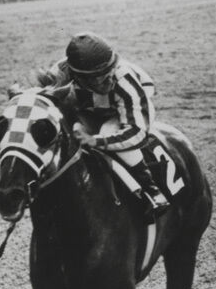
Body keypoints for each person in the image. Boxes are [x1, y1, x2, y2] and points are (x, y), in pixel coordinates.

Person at [46, 33, 170, 218]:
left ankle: (151, 190)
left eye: (109, 71)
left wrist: (97, 141)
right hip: (87, 107)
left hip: (124, 109)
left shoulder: (124, 80)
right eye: (98, 77)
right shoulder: (59, 75)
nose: (109, 79)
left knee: (108, 131)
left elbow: (135, 133)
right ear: (78, 76)